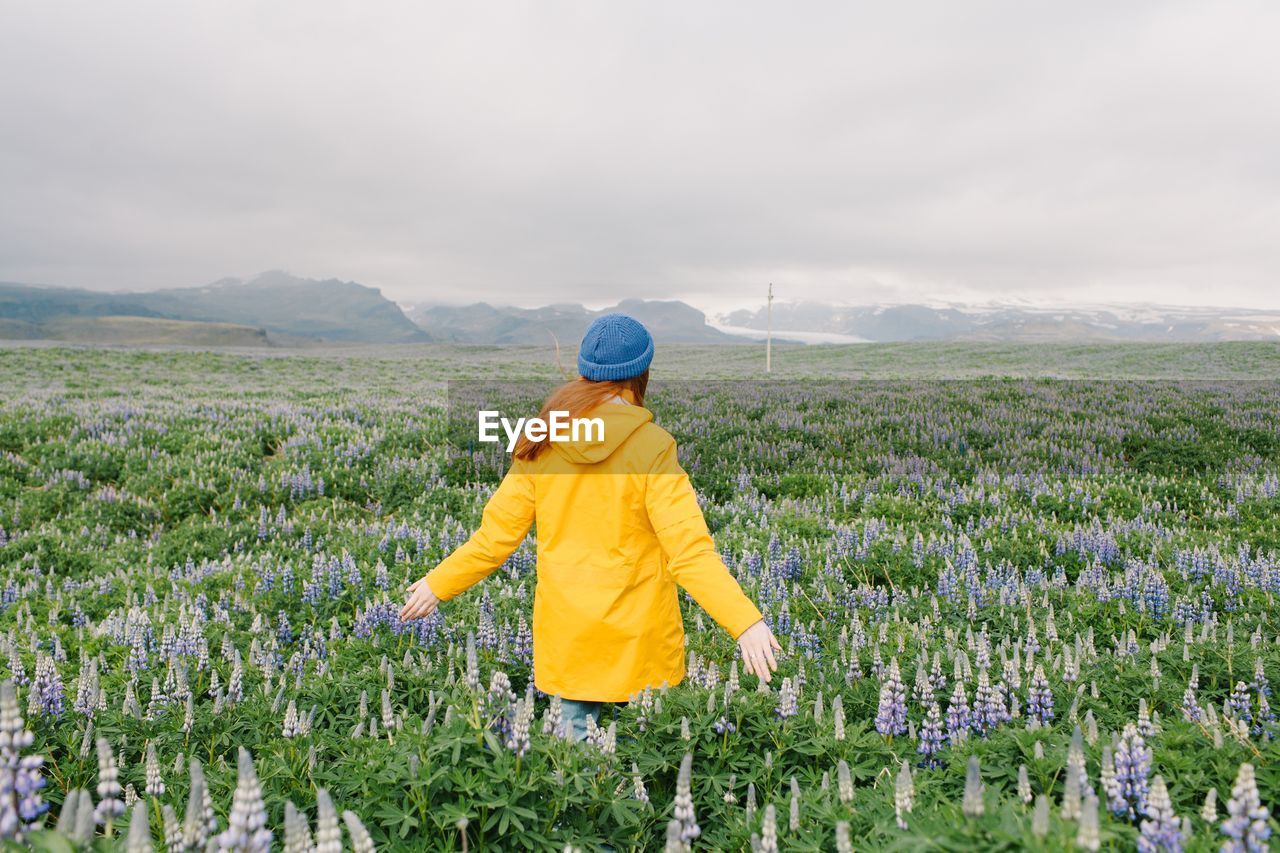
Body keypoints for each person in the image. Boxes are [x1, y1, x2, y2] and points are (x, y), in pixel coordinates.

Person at [400, 313, 780, 740]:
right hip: (642, 643)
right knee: (646, 768)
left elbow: (494, 539)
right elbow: (689, 552)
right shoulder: (653, 448)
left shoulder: (540, 441)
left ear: (585, 372)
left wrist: (438, 583)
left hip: (569, 643)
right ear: (641, 374)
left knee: (574, 783)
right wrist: (744, 621)